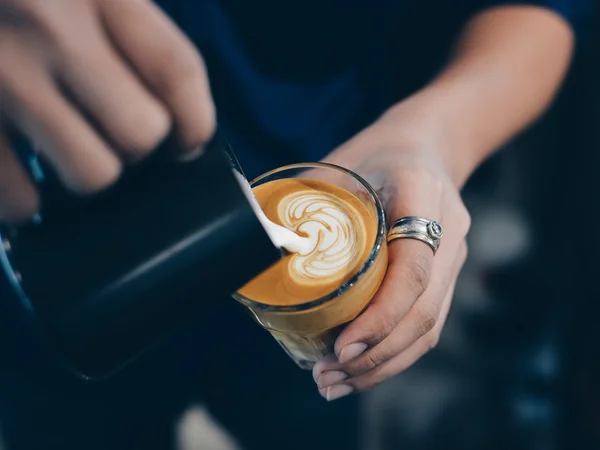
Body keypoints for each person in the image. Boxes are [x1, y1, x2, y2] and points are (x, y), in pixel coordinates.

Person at [0, 0, 592, 449]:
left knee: (309, 417)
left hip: (317, 295)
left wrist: (439, 133)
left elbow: (546, 12)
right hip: (65, 276)